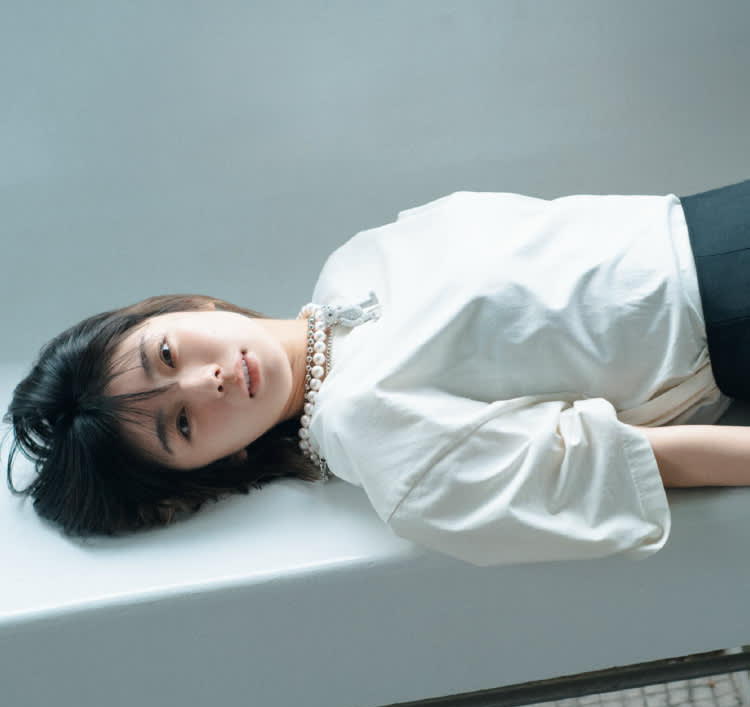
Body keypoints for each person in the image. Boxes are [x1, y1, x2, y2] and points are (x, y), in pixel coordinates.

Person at [5, 181, 750, 566]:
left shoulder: (353, 266)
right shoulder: (368, 428)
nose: (208, 383)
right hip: (727, 318)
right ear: (218, 463)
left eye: (167, 355)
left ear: (182, 307)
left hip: (705, 216)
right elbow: (622, 462)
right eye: (183, 424)